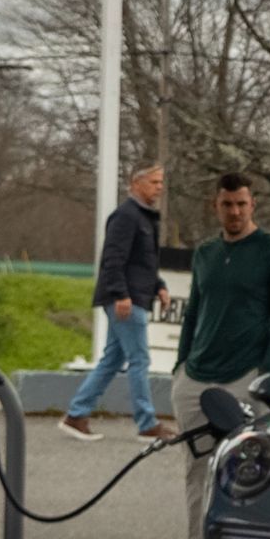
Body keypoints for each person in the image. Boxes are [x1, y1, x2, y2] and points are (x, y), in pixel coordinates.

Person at [157, 174, 270, 539]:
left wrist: (266, 374)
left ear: (253, 204)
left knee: (249, 472)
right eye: (226, 205)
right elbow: (192, 314)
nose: (234, 212)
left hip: (245, 379)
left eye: (241, 204)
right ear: (214, 206)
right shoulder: (205, 254)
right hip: (195, 379)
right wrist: (181, 366)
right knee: (196, 469)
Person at [58, 165, 173, 442]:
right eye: (154, 182)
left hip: (134, 297)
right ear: (136, 183)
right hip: (126, 300)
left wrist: (159, 286)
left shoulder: (144, 218)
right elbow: (112, 259)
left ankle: (76, 415)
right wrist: (120, 294)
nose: (159, 187)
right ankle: (147, 424)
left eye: (161, 182)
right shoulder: (126, 216)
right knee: (139, 359)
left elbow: (142, 262)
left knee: (113, 359)